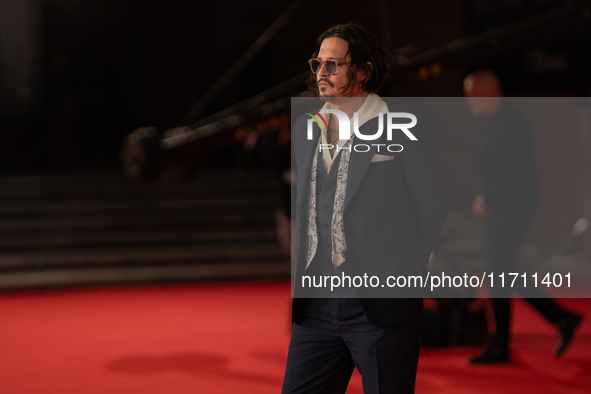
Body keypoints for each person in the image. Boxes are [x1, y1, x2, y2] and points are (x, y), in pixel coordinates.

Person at [282, 23, 448, 393]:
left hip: (380, 305)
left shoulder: (403, 127)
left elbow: (432, 206)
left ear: (363, 70)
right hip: (317, 306)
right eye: (317, 64)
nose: (321, 74)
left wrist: (405, 271)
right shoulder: (306, 127)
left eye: (333, 65)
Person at [464, 69, 583, 364]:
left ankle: (505, 341)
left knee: (499, 272)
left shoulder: (512, 121)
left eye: (471, 94)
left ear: (487, 92)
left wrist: (486, 198)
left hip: (510, 208)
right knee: (504, 272)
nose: (468, 101)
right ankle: (557, 319)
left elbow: (513, 170)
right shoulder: (493, 121)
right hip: (503, 208)